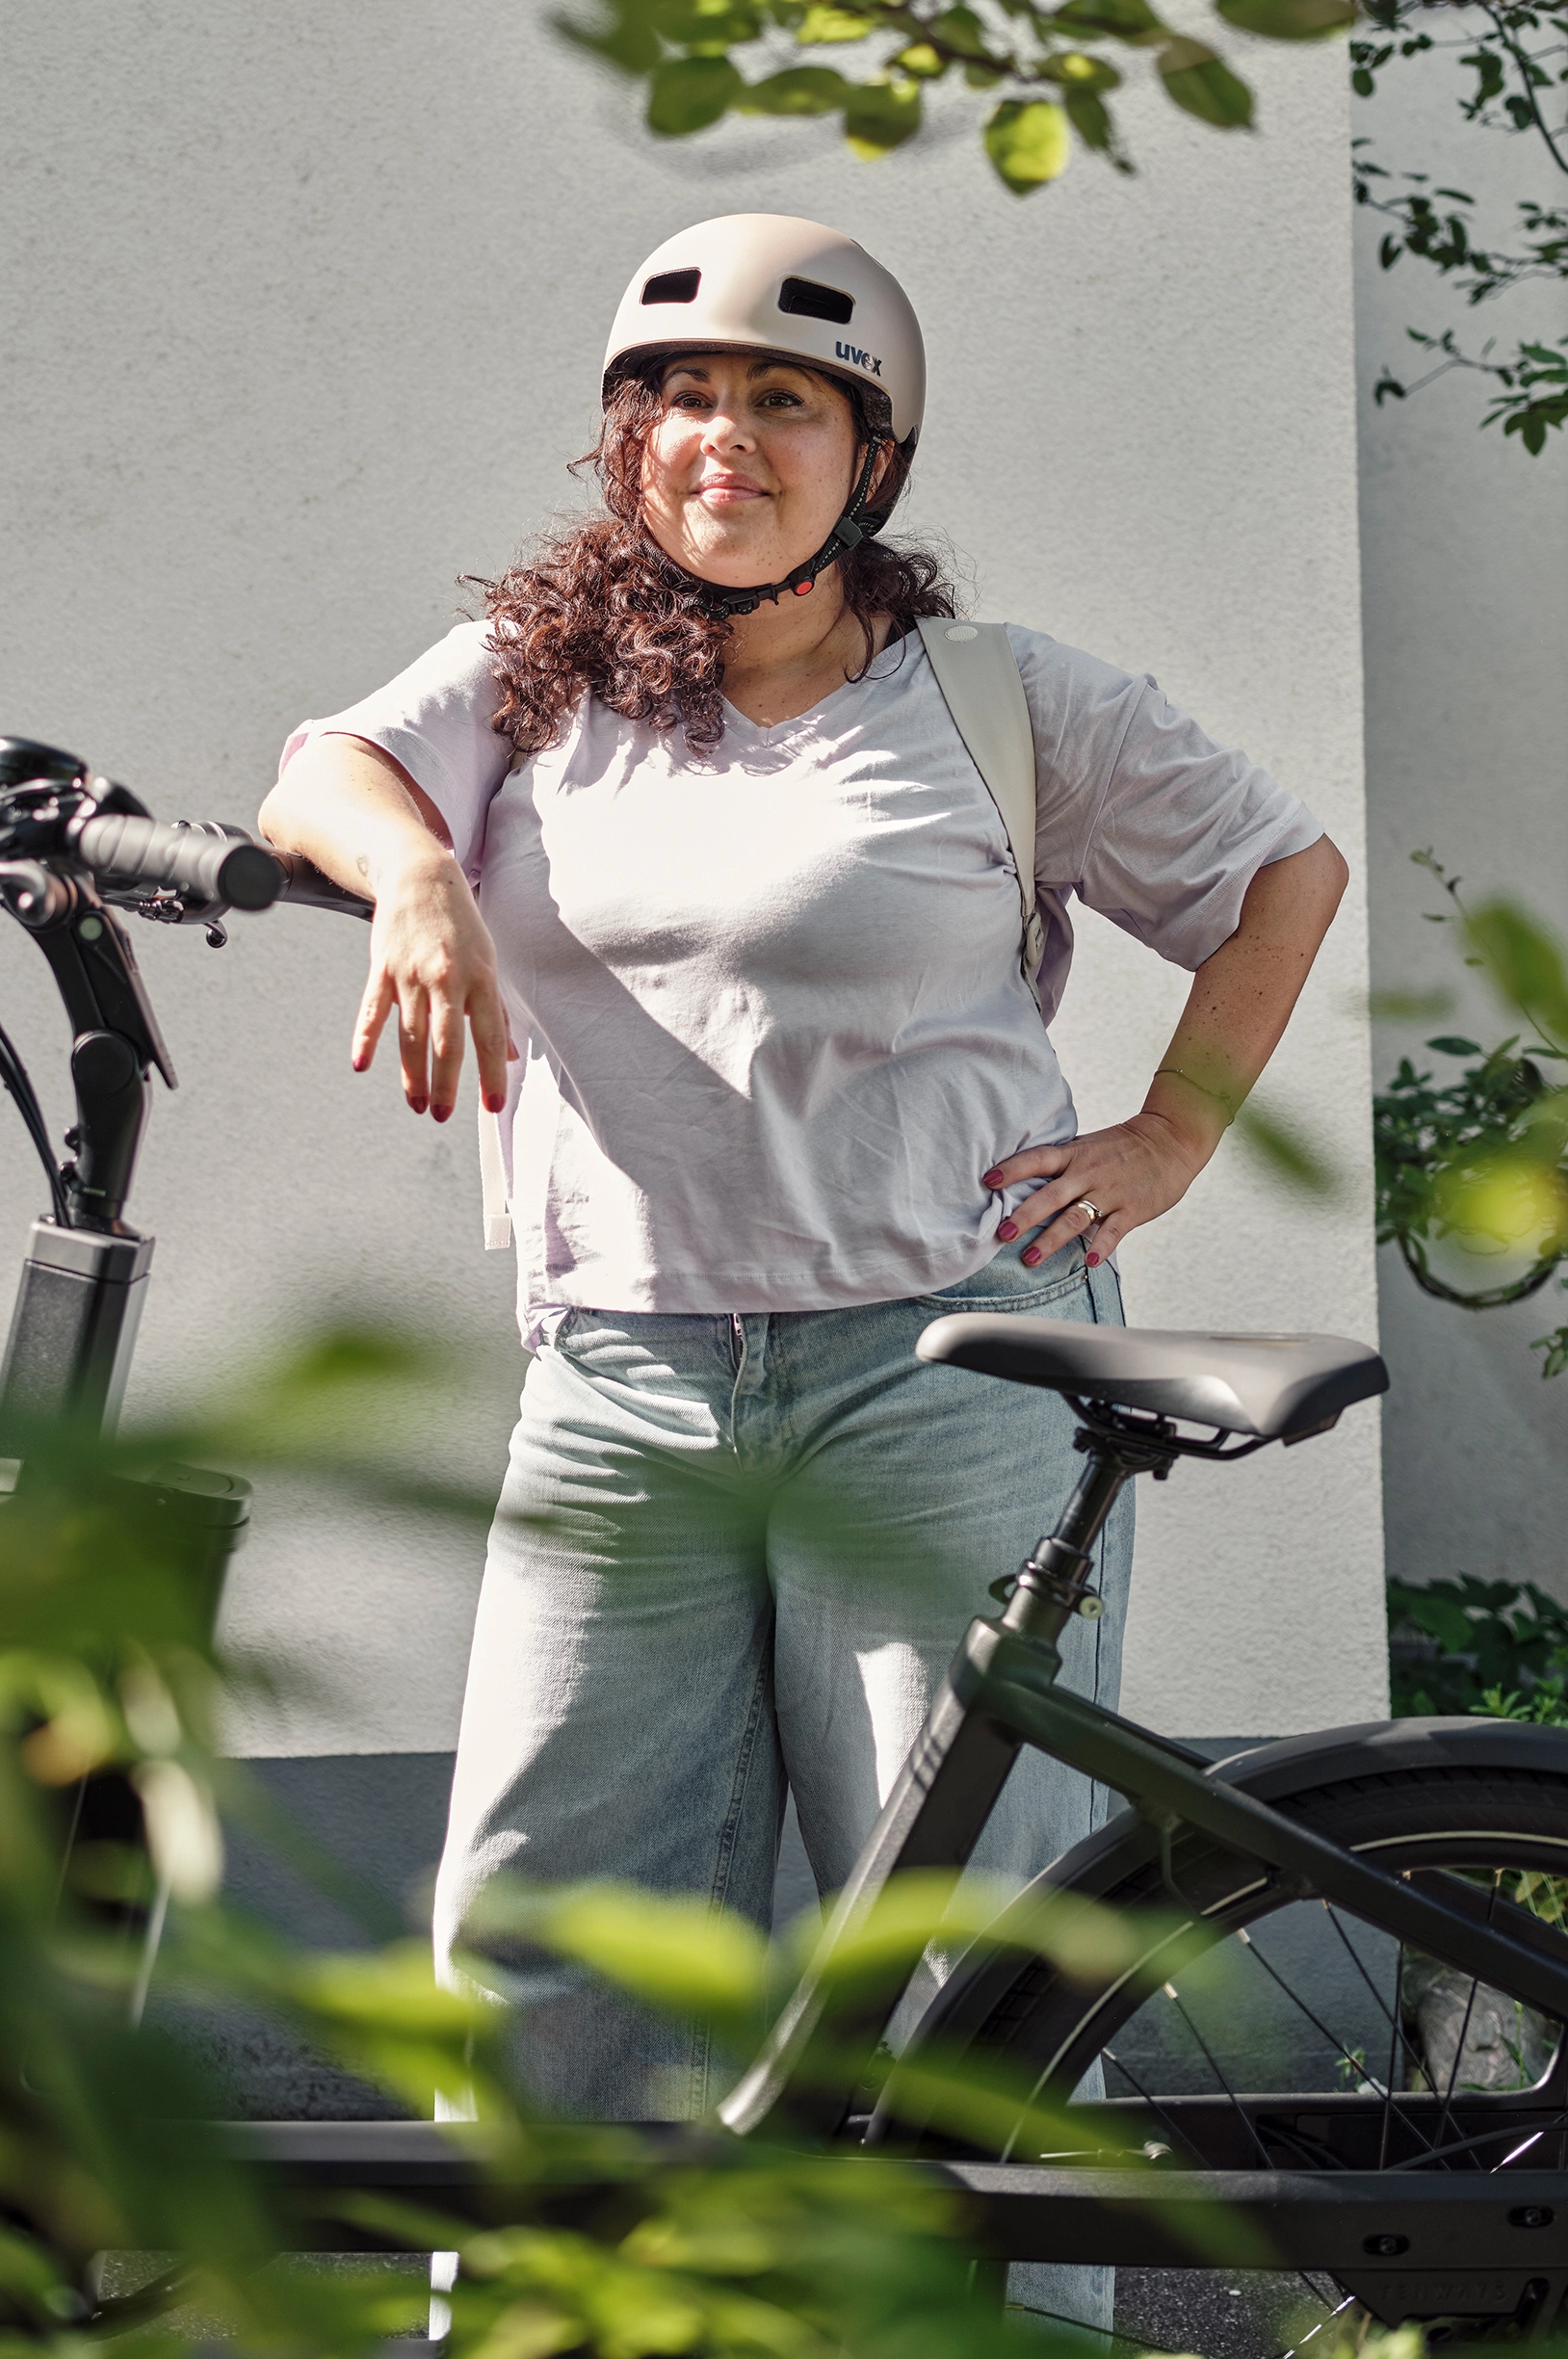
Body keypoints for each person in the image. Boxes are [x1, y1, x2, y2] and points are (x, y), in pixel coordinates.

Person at [257, 213, 1346, 2126]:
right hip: (623, 1374)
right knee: (538, 1926)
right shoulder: (533, 684)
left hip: (949, 1368)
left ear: (872, 462)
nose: (723, 436)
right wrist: (420, 874)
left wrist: (1170, 1136)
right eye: (677, 397)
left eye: (783, 401)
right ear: (623, 443)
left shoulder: (990, 700)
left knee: (962, 1940)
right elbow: (320, 769)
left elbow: (1278, 875)